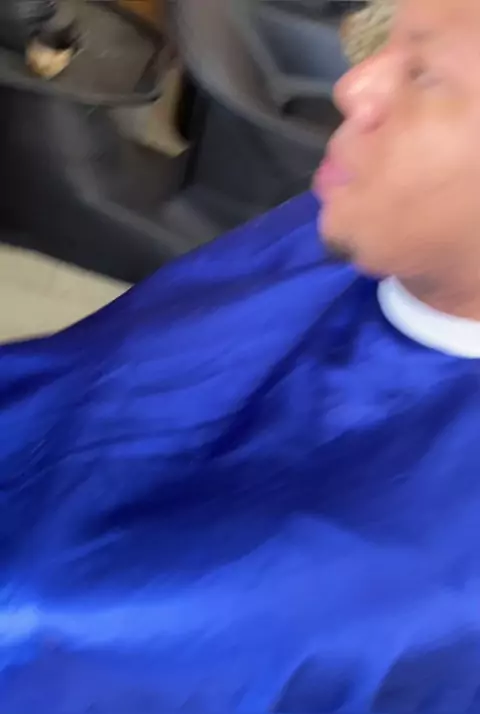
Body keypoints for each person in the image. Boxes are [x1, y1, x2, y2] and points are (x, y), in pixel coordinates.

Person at [1, 0, 480, 710]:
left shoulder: (382, 603)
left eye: (424, 74)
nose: (353, 85)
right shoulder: (377, 221)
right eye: (393, 41)